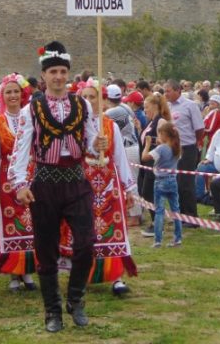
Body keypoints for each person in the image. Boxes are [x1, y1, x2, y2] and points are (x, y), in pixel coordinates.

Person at [8, 41, 108, 333]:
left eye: (63, 71)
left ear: (68, 74)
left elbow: (90, 140)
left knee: (87, 243)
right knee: (47, 250)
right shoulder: (32, 108)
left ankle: (75, 299)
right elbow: (21, 147)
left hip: (76, 180)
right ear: (44, 75)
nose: (59, 76)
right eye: (53, 71)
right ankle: (52, 311)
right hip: (46, 183)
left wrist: (97, 144)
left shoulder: (82, 104)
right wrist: (19, 183)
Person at [60, 80, 137, 294]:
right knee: (83, 232)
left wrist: (129, 189)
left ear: (102, 100)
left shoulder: (110, 125)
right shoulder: (73, 126)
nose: (89, 101)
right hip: (82, 185)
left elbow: (120, 157)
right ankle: (82, 275)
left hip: (108, 185)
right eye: (84, 97)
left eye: (93, 96)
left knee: (113, 231)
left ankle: (116, 277)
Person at [0, 73, 37, 291]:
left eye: (16, 91)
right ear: (2, 95)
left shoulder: (31, 117)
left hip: (29, 176)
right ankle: (13, 273)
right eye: (8, 92)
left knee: (31, 225)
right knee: (10, 225)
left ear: (23, 94)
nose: (13, 95)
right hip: (6, 179)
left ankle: (28, 271)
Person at [163, 79, 204, 227]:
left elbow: (199, 129)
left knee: (186, 183)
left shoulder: (190, 106)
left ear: (177, 90)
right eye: (165, 91)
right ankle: (179, 215)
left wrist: (195, 144)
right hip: (173, 149)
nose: (165, 94)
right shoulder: (167, 107)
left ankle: (192, 217)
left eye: (168, 91)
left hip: (187, 148)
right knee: (175, 183)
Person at [141, 121, 183, 248]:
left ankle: (158, 240)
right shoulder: (177, 147)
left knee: (159, 211)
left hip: (160, 181)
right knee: (175, 210)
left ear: (165, 135)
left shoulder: (161, 149)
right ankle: (177, 238)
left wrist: (147, 145)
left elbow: (144, 158)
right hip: (173, 181)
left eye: (160, 135)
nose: (158, 138)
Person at [105, 84, 142, 225]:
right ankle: (136, 213)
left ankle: (135, 216)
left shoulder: (112, 112)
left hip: (128, 148)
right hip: (133, 145)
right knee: (134, 180)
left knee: (131, 182)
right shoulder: (126, 107)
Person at [139, 93, 170, 237]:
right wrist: (139, 129)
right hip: (146, 162)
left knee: (149, 193)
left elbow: (167, 143)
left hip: (155, 162)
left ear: (155, 106)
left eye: (146, 107)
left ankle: (158, 224)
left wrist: (156, 141)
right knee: (145, 192)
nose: (144, 110)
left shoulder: (161, 122)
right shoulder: (150, 122)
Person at [196, 114, 220, 205]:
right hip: (215, 164)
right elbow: (212, 147)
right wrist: (208, 159)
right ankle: (199, 196)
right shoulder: (219, 132)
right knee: (201, 168)